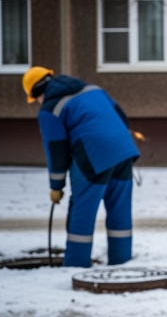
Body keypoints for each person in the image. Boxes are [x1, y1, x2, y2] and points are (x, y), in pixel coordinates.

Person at [22, 67, 139, 268]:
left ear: (37, 93)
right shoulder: (93, 89)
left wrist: (56, 187)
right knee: (120, 211)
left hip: (93, 157)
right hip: (123, 151)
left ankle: (75, 267)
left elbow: (56, 150)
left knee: (82, 214)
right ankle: (122, 264)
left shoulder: (50, 109)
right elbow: (121, 117)